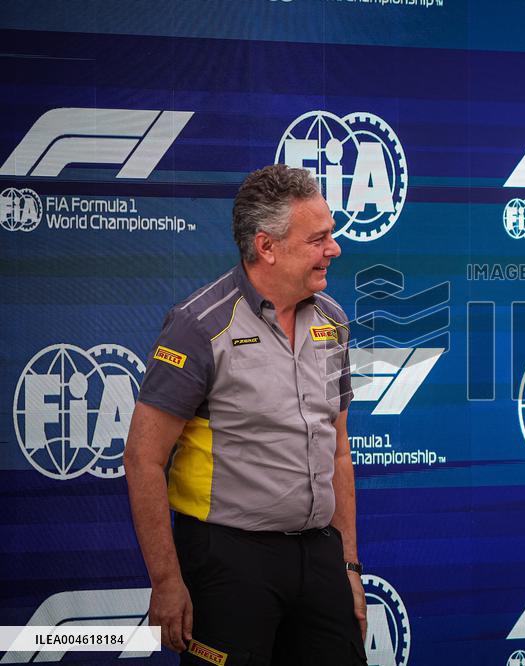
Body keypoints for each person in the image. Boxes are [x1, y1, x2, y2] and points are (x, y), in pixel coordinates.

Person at [124, 164, 367, 665]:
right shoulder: (198, 326)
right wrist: (166, 581)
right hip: (227, 561)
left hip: (320, 556)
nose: (335, 249)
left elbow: (339, 451)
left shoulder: (334, 321)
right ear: (267, 246)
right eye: (318, 239)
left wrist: (348, 567)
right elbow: (143, 459)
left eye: (331, 234)